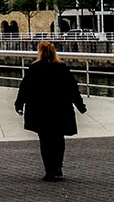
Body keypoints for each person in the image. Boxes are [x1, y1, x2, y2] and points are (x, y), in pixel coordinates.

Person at [15, 41, 87, 182]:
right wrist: (80, 106)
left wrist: (19, 104)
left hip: (40, 110)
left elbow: (24, 88)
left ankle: (49, 170)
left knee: (45, 140)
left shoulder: (34, 68)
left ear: (40, 52)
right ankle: (58, 167)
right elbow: (73, 88)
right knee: (58, 140)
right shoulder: (62, 68)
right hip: (60, 109)